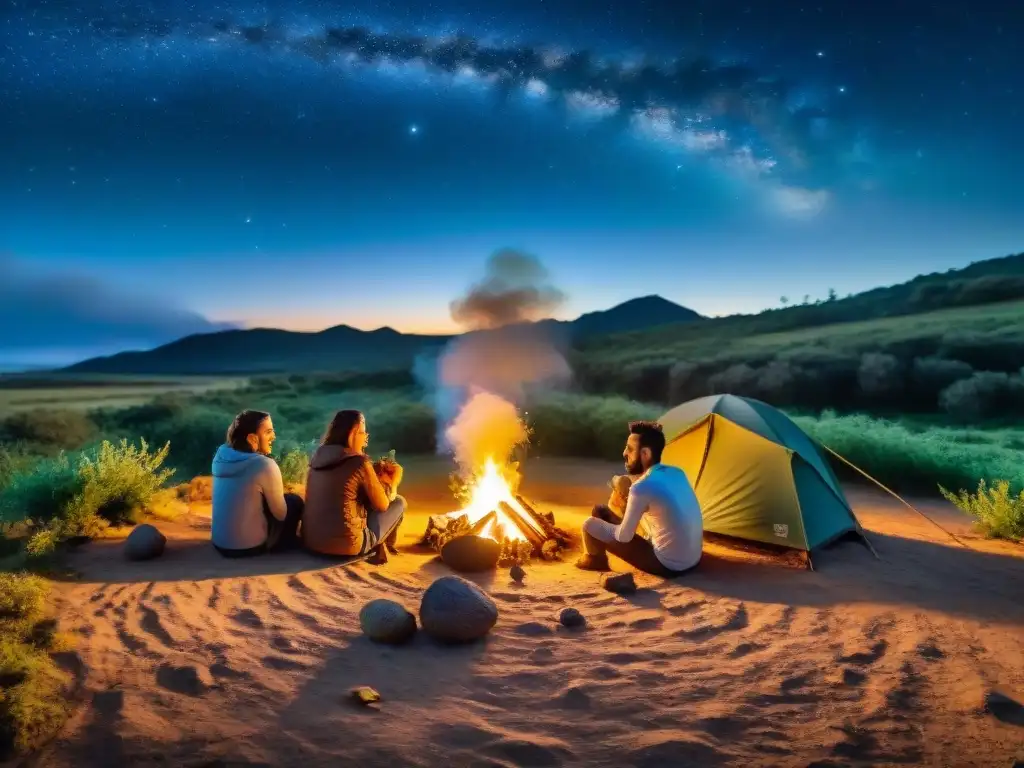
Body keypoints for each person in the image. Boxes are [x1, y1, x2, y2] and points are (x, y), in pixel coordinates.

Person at [576, 420, 703, 577]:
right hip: (693, 559)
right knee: (601, 511)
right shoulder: (677, 472)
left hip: (668, 565)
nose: (624, 453)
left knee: (589, 525)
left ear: (645, 454)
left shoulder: (641, 488)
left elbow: (624, 536)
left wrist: (602, 528)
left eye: (629, 449)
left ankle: (595, 560)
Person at [301, 409, 406, 564]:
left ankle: (382, 546)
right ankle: (385, 546)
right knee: (399, 502)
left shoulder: (317, 459)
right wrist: (393, 482)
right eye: (363, 433)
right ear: (353, 433)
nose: (366, 439)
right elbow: (383, 505)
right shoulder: (359, 462)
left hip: (312, 543)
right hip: (347, 547)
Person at [211, 410, 305, 557]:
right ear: (252, 438)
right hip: (249, 547)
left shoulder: (220, 455)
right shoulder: (263, 464)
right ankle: (286, 544)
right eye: (268, 432)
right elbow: (281, 514)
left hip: (220, 544)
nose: (273, 437)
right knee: (294, 501)